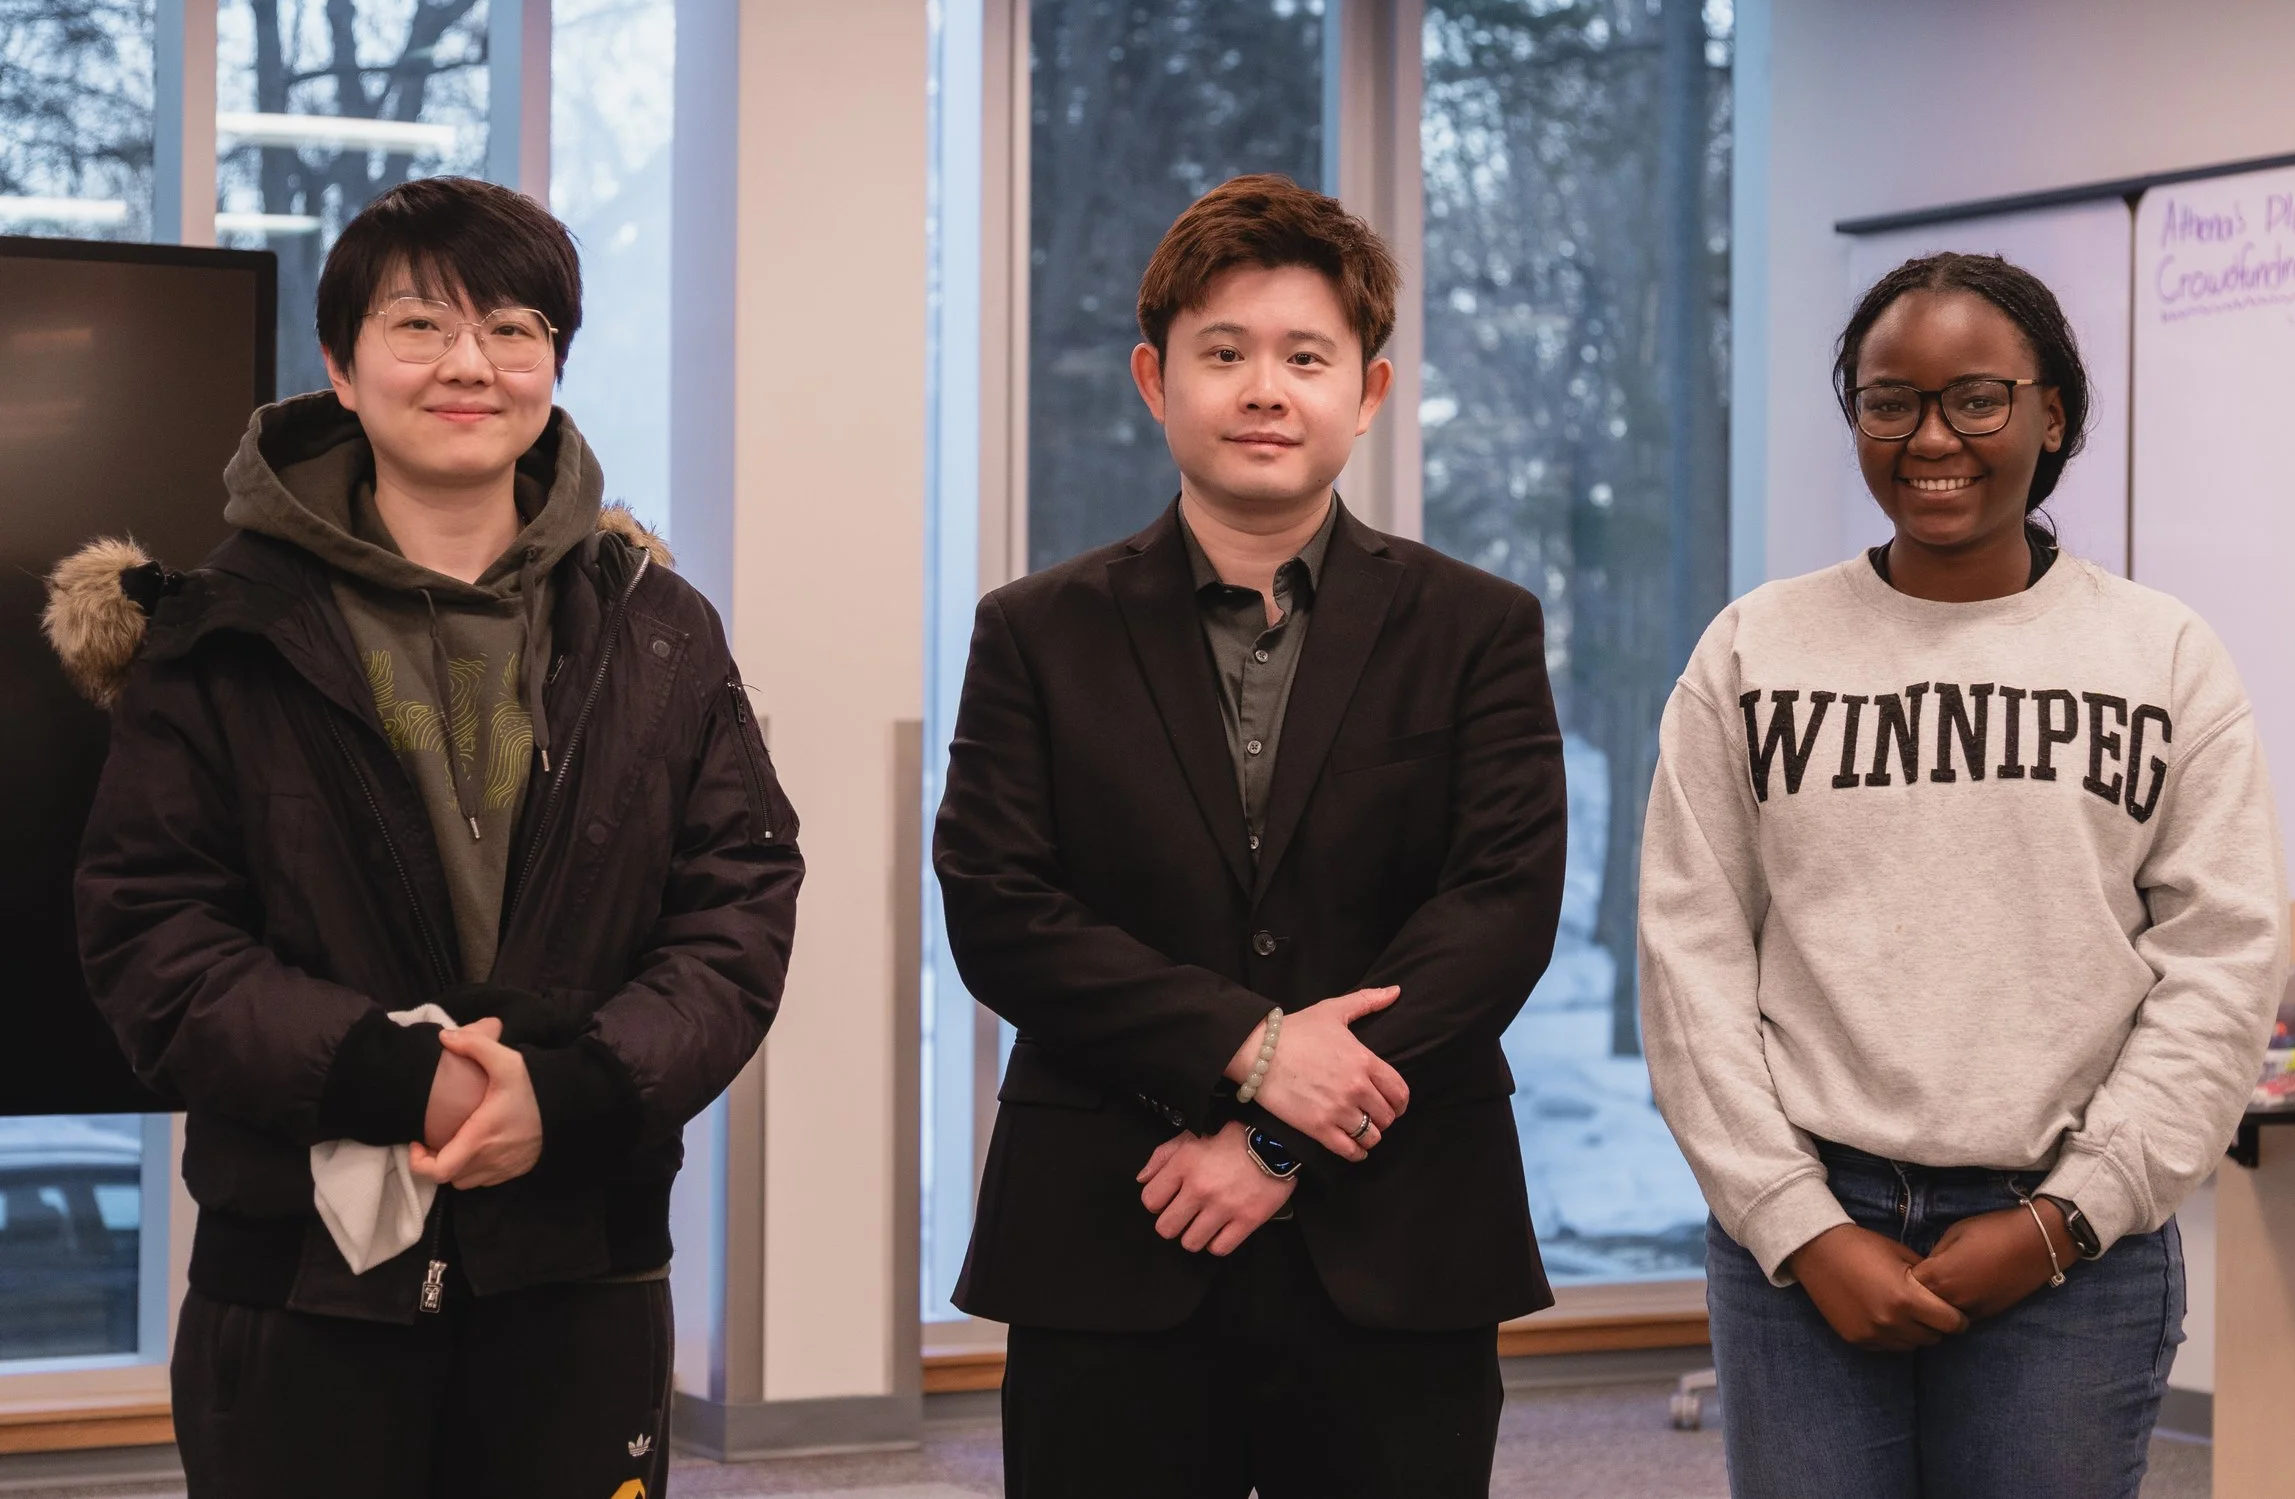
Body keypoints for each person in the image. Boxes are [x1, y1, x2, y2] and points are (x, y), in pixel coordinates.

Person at [50, 176, 801, 1498]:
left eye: (513, 327)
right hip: (303, 1282)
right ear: (342, 368)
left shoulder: (658, 627)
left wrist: (569, 1090)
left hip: (582, 1260)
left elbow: (737, 906)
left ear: (553, 364)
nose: (470, 362)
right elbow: (154, 936)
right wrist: (404, 1079)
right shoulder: (222, 631)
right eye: (419, 324)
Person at [933, 174, 1568, 1499]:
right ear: (1155, 380)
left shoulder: (1476, 626)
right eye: (1223, 353)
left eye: (1305, 357)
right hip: (1115, 1217)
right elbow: (1001, 908)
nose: (1265, 390)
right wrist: (1255, 1046)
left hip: (1400, 1232)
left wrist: (1280, 1132)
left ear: (1369, 391)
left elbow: (1499, 906)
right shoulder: (1036, 631)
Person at [1637, 252, 2289, 1497]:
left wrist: (2064, 1216)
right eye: (1890, 401)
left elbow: (2221, 961)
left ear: (2053, 415)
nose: (1931, 437)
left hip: (2073, 1251)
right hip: (1805, 1241)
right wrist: (1798, 1220)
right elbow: (1689, 961)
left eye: (1977, 398)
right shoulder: (1753, 649)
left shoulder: (2162, 656)